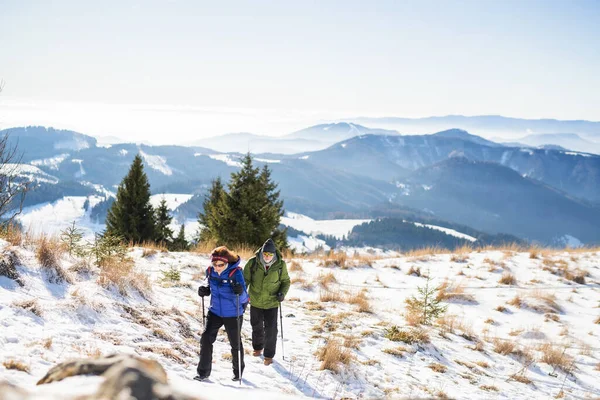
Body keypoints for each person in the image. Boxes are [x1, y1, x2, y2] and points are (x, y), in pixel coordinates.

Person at [195, 246, 249, 381]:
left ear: (227, 263)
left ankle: (238, 374)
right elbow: (207, 284)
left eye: (221, 265)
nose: (217, 267)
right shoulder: (210, 271)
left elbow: (245, 298)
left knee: (235, 343)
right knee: (206, 338)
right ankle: (203, 373)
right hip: (215, 311)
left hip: (233, 313)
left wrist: (240, 291)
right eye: (215, 264)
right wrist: (204, 290)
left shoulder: (236, 273)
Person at [243, 238, 290, 366]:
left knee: (271, 330)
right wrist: (241, 293)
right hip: (256, 301)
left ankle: (268, 355)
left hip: (272, 302)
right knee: (256, 326)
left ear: (274, 254)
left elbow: (286, 281)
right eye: (265, 254)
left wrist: (282, 293)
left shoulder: (280, 265)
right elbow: (245, 279)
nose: (267, 257)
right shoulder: (253, 263)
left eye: (270, 254)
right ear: (261, 253)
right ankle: (257, 348)